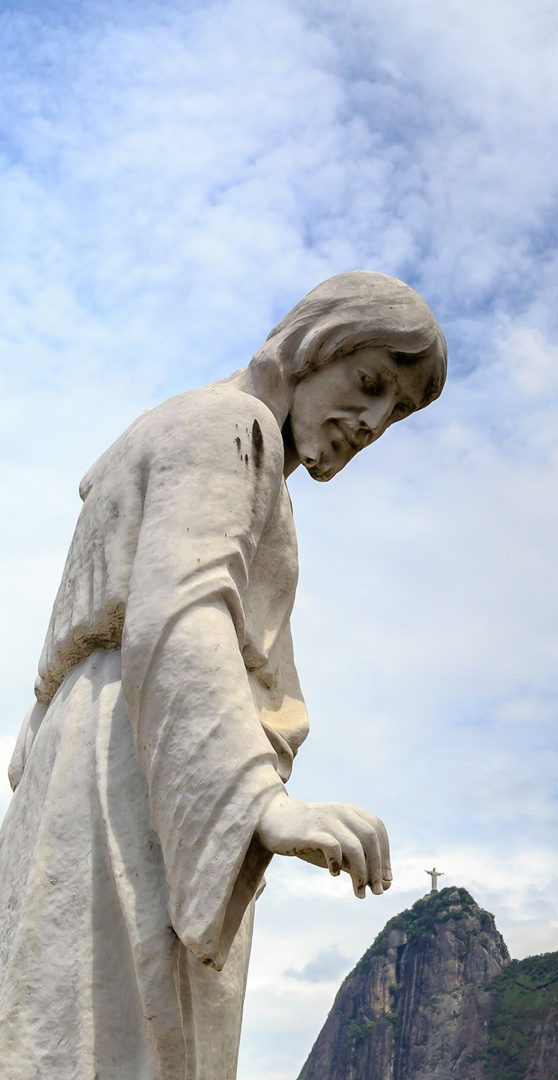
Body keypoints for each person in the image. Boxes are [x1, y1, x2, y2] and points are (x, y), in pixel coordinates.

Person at [0, 270, 447, 1080]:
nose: (374, 422)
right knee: (122, 1037)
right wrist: (256, 804)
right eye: (370, 383)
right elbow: (181, 613)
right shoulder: (228, 428)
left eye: (398, 412)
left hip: (116, 744)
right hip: (142, 755)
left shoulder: (216, 440)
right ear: (314, 346)